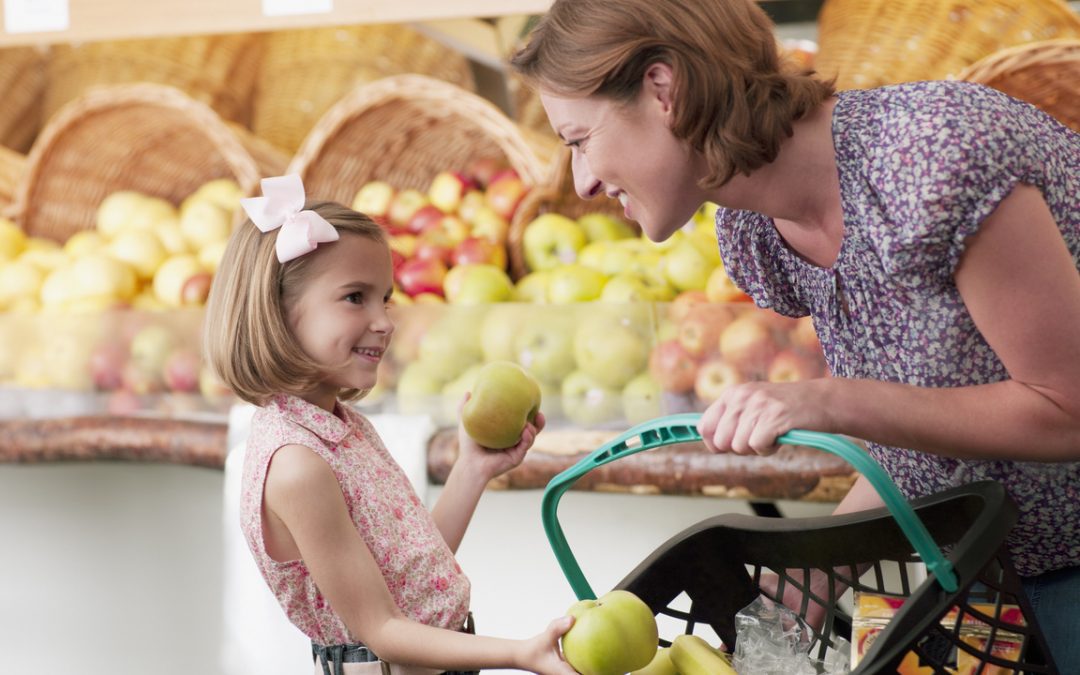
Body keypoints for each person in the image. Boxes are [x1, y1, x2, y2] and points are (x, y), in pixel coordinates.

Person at [510, 0, 1080, 669]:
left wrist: (830, 400)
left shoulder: (934, 156)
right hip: (1011, 579)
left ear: (663, 90)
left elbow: (1066, 408)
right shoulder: (756, 232)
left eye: (579, 138)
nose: (580, 179)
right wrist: (809, 574)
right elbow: (934, 419)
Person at [204, 174, 576, 675]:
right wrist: (519, 653)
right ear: (277, 313)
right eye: (356, 297)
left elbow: (416, 578)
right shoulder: (297, 465)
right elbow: (382, 630)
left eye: (386, 299)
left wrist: (472, 470)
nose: (384, 321)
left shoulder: (342, 428)